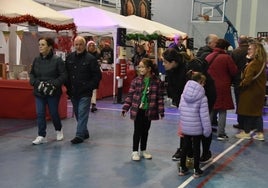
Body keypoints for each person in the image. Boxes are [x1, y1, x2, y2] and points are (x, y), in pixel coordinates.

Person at [122, 58, 165, 161]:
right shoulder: (135, 81)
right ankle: (135, 151)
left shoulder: (157, 81)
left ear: (149, 68)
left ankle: (143, 150)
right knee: (137, 131)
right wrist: (125, 108)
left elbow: (160, 98)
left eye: (142, 67)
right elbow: (130, 95)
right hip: (138, 110)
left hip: (149, 110)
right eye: (139, 67)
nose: (140, 69)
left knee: (145, 131)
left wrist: (161, 111)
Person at [29, 37, 67, 145]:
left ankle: (58, 129)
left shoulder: (57, 60)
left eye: (43, 44)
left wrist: (53, 84)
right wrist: (35, 82)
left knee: (53, 112)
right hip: (39, 92)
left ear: (49, 47)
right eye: (39, 44)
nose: (40, 47)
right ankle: (41, 135)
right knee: (40, 113)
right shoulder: (36, 60)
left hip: (52, 92)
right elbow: (32, 74)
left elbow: (63, 75)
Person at [65, 36, 102, 144]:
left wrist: (90, 86)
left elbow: (97, 76)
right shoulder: (70, 58)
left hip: (85, 92)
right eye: (76, 44)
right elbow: (66, 73)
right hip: (73, 91)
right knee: (77, 113)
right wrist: (67, 87)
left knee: (82, 113)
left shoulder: (91, 59)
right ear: (74, 45)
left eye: (80, 44)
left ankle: (79, 135)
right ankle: (84, 131)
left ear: (84, 45)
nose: (78, 47)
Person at [178, 72, 212, 178]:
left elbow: (180, 109)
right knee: (196, 148)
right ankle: (196, 169)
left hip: (185, 126)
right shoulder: (202, 97)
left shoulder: (183, 94)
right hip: (197, 128)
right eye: (203, 83)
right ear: (200, 82)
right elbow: (204, 116)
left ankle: (182, 168)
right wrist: (207, 131)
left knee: (185, 147)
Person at [206, 39, 238, 140]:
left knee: (211, 109)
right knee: (222, 110)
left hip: (210, 86)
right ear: (225, 47)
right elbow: (234, 71)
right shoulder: (226, 57)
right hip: (223, 86)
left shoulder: (209, 56)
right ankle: (221, 133)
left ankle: (207, 131)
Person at [235, 41, 267, 141]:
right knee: (257, 113)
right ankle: (260, 133)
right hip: (259, 91)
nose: (248, 51)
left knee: (248, 112)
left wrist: (240, 84)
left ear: (256, 51)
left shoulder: (253, 64)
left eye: (250, 49)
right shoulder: (262, 62)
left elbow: (247, 80)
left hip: (250, 92)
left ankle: (246, 132)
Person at [162, 48, 188, 161]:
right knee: (183, 127)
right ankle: (183, 148)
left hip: (190, 103)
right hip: (180, 102)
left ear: (173, 62)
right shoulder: (171, 71)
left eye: (165, 62)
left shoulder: (186, 70)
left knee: (189, 127)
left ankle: (187, 150)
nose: (163, 64)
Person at [196, 34, 219, 130]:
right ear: (209, 43)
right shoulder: (208, 54)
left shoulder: (201, 52)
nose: (217, 44)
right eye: (216, 42)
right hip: (206, 83)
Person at [230, 35, 249, 129]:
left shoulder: (235, 52)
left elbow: (232, 67)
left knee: (239, 102)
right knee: (249, 102)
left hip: (238, 80)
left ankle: (241, 122)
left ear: (239, 41)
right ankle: (251, 123)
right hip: (250, 80)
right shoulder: (252, 51)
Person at [87, 40, 102, 113]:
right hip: (87, 75)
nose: (92, 47)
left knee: (94, 90)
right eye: (90, 45)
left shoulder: (97, 54)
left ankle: (93, 104)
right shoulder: (85, 55)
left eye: (93, 45)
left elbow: (99, 64)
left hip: (94, 75)